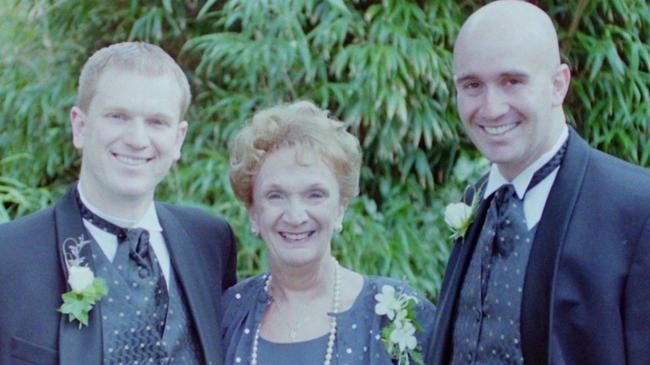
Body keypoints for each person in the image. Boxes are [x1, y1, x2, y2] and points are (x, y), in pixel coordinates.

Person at [426, 1, 650, 364]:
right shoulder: (478, 199)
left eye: (512, 81)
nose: (491, 107)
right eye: (472, 85)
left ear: (558, 85)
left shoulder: (637, 208)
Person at [0, 42, 237, 365]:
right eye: (118, 116)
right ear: (80, 127)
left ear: (178, 138)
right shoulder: (8, 255)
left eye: (157, 122)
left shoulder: (210, 240)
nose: (137, 139)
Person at [222, 101, 435, 364]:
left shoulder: (396, 312)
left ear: (340, 208)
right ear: (253, 212)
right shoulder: (227, 315)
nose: (296, 216)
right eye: (275, 196)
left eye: (315, 194)